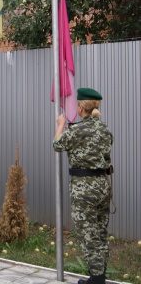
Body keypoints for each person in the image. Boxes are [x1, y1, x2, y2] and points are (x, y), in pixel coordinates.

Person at [53, 88, 114, 284]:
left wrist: (61, 125)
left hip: (84, 189)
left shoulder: (77, 130)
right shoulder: (105, 129)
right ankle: (100, 274)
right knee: (100, 231)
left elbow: (57, 145)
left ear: (81, 107)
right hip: (103, 186)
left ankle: (96, 279)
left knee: (89, 234)